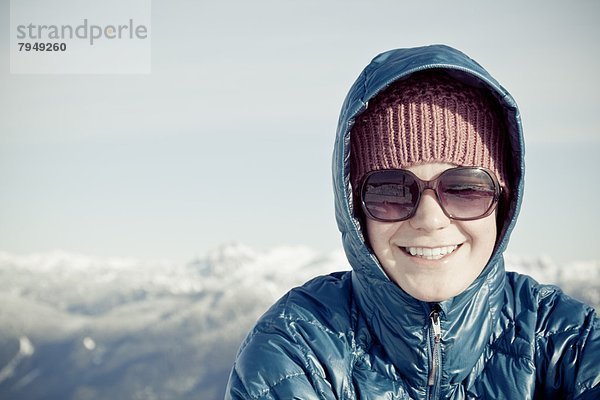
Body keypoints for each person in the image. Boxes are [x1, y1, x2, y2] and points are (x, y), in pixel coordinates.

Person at [225, 45, 599, 399]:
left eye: (465, 189)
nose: (430, 218)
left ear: (503, 200)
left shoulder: (568, 341)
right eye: (390, 191)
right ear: (355, 210)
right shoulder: (298, 348)